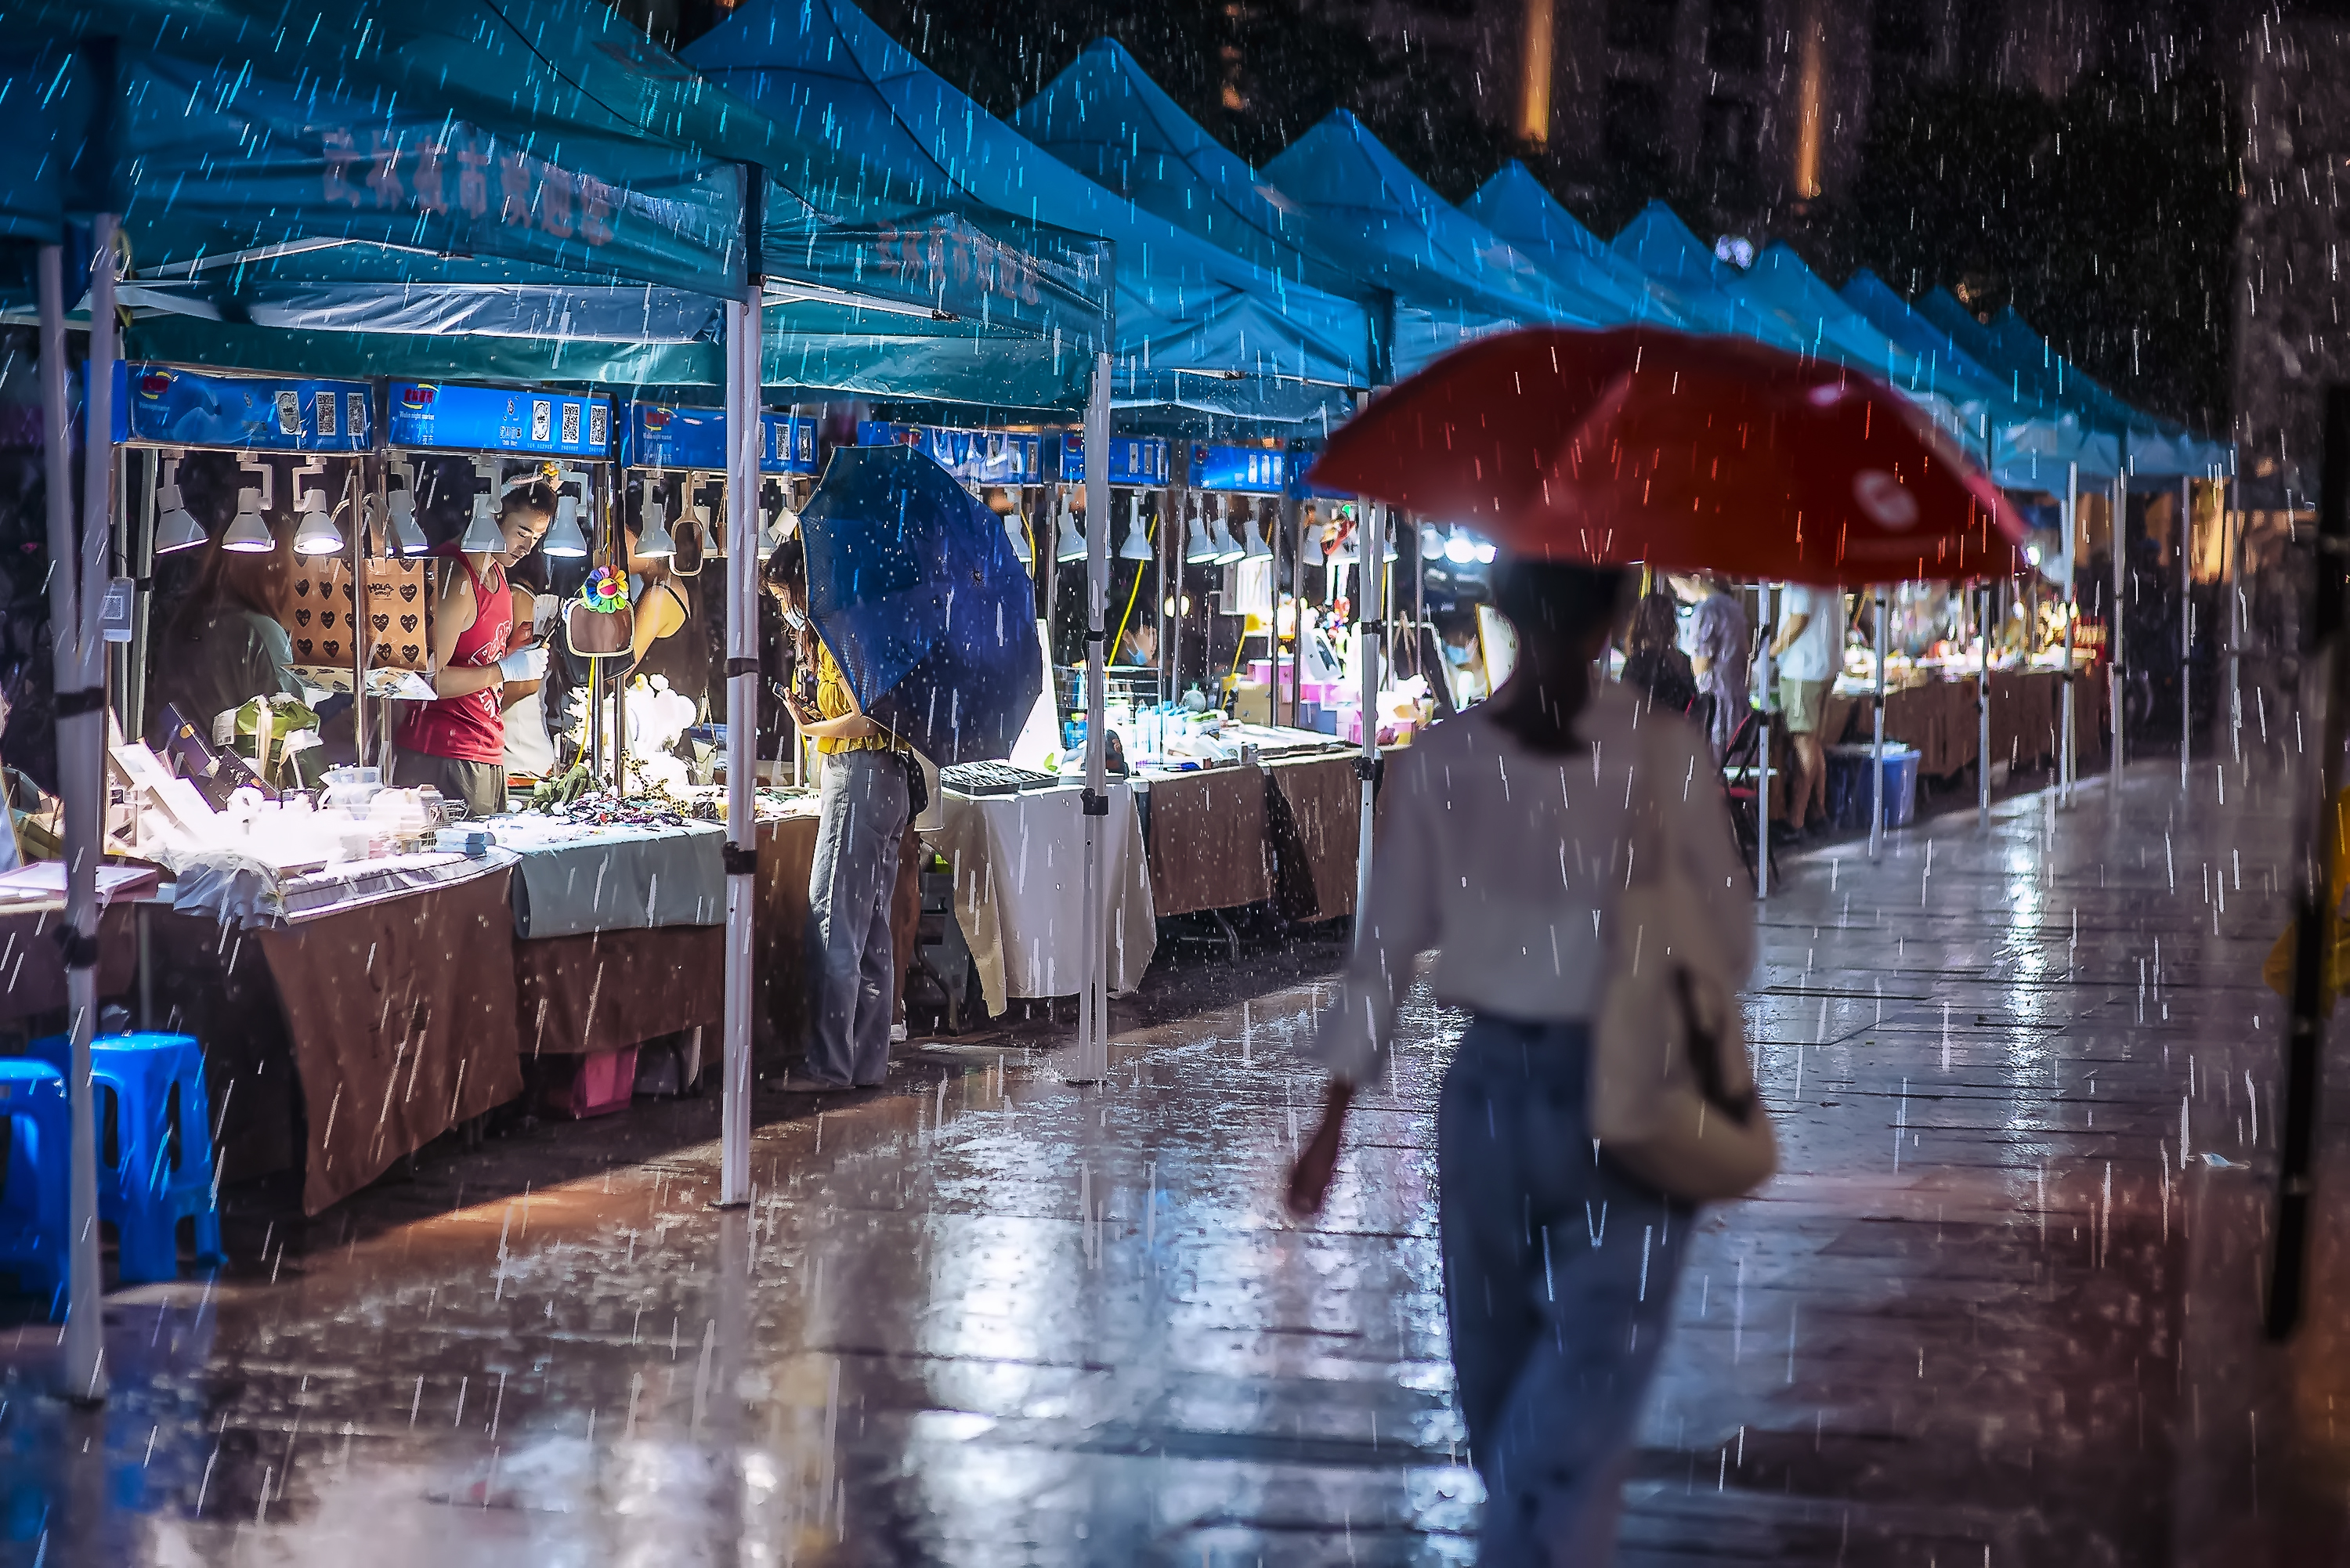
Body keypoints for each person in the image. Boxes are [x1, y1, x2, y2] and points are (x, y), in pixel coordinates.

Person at [1288, 558, 1752, 1564]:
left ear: (1501, 613)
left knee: (1494, 1374)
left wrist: (1329, 1124)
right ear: (1616, 621)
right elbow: (1730, 941)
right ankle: (1537, 1539)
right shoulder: (1661, 753)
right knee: (1589, 1373)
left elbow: (1384, 952)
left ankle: (1529, 1532)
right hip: (1625, 1090)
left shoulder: (1444, 759)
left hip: (1489, 1097)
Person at [762, 536, 910, 1092]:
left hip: (859, 776)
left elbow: (867, 718)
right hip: (888, 782)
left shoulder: (840, 627)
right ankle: (866, 1062)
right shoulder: (865, 620)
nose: (784, 608)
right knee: (872, 930)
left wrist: (810, 728)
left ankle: (828, 1067)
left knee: (834, 926)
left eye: (784, 596)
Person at [389, 474, 553, 818]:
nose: (528, 547)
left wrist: (518, 656)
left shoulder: (499, 576)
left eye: (536, 538)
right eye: (522, 533)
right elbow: (427, 680)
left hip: (487, 749)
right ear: (493, 517)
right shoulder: (456, 575)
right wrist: (502, 670)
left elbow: (480, 655)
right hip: (444, 753)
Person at [1770, 583, 1844, 838]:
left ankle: (1796, 820)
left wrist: (1772, 651)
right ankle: (1818, 813)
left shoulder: (1800, 572)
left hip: (1802, 668)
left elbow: (1800, 617)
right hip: (1824, 664)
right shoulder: (1823, 568)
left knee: (1803, 742)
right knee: (1813, 743)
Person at [1670, 573, 1751, 757]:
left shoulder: (1705, 612)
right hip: (1736, 699)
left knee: (1713, 765)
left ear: (1696, 579)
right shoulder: (1734, 607)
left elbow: (1701, 664)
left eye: (1679, 588)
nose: (1680, 596)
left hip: (1715, 702)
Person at [1620, 589, 1700, 718]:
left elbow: (1625, 707)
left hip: (1647, 734)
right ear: (1671, 624)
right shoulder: (1683, 660)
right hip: (1678, 732)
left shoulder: (1640, 662)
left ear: (1640, 624)